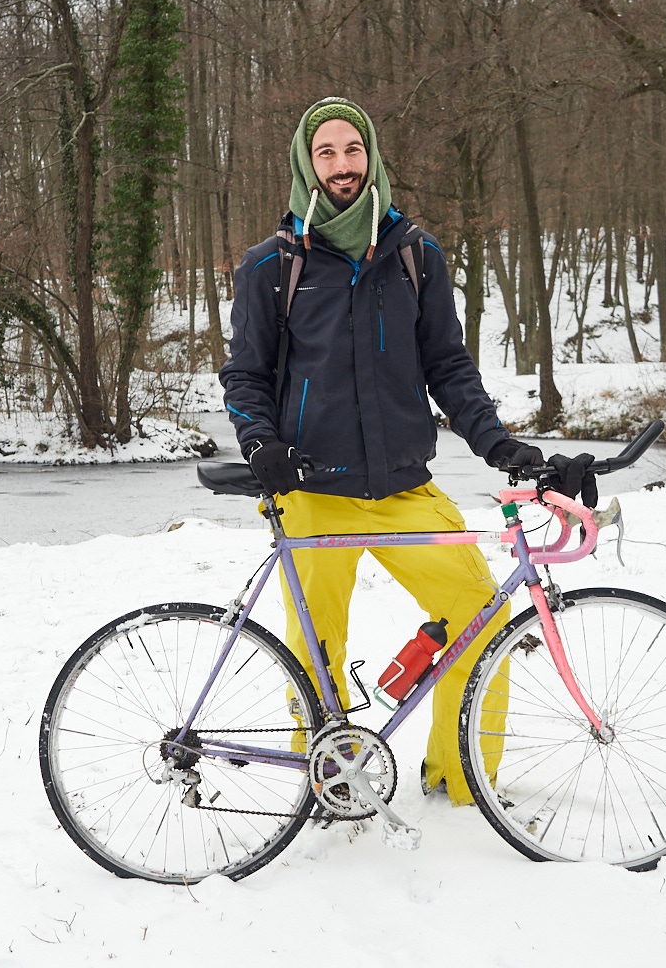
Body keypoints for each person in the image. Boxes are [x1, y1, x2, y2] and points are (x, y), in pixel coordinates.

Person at [219, 96, 587, 805]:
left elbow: (448, 368)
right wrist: (260, 441)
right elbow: (245, 375)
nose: (340, 165)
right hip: (313, 492)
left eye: (351, 150)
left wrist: (501, 447)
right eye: (325, 153)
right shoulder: (272, 266)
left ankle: (460, 778)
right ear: (306, 163)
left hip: (403, 488)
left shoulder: (415, 255)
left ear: (371, 156)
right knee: (314, 654)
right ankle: (322, 785)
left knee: (482, 617)